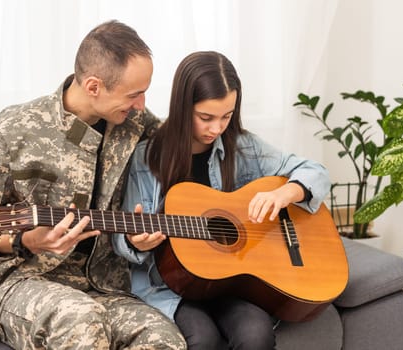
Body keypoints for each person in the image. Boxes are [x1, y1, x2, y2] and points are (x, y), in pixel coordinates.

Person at [0, 20, 186, 350]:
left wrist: (278, 187)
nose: (141, 104)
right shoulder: (14, 129)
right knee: (81, 322)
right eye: (134, 94)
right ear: (94, 86)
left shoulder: (133, 122)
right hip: (14, 280)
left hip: (98, 285)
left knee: (164, 338)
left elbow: (189, 141)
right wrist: (27, 240)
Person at [113, 51, 331, 349]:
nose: (216, 128)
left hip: (233, 283)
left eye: (226, 116)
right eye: (206, 117)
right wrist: (135, 243)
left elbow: (315, 172)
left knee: (256, 334)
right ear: (182, 107)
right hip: (172, 286)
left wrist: (284, 193)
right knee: (202, 338)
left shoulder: (243, 147)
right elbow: (124, 240)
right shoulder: (147, 158)